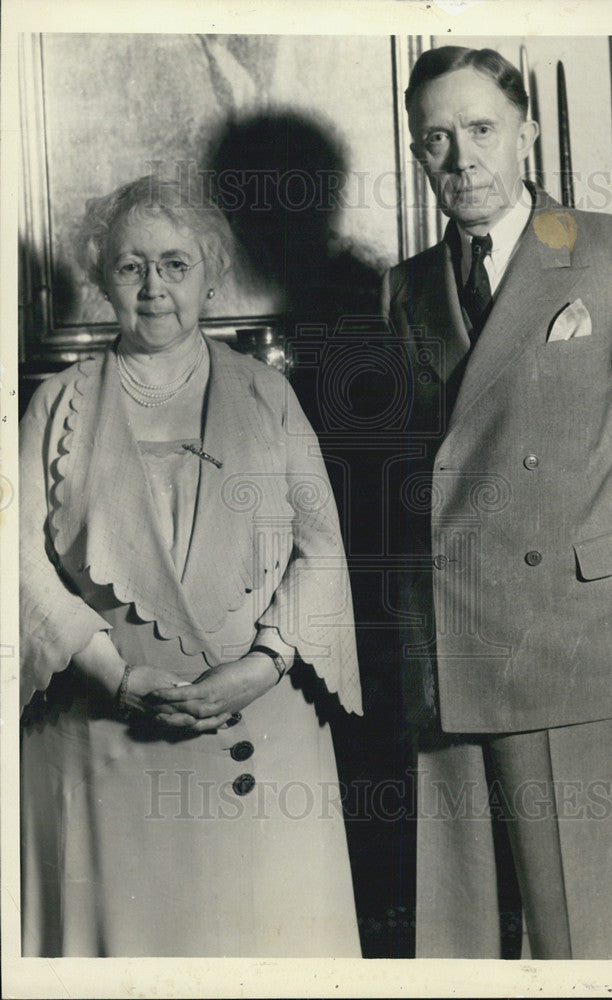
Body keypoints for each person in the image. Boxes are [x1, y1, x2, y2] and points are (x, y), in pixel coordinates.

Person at [383, 47, 612, 959]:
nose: (461, 158)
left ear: (525, 131)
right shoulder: (405, 288)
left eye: (480, 130)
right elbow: (404, 479)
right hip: (451, 645)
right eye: (435, 139)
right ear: (416, 153)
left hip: (577, 645)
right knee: (460, 942)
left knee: (584, 943)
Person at [20, 174, 362, 957]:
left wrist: (264, 664)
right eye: (131, 266)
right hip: (103, 737)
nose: (154, 288)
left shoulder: (268, 394)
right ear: (102, 278)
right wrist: (114, 673)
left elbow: (323, 550)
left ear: (211, 274)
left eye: (175, 265)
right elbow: (16, 563)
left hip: (261, 726)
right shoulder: (54, 405)